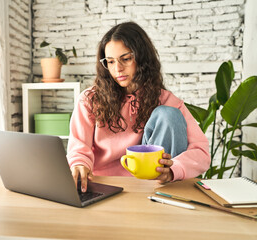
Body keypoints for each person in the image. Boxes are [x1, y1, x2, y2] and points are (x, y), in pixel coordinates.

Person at [67, 21, 210, 193]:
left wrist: (173, 170)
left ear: (142, 58)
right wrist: (79, 164)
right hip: (103, 185)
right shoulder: (89, 100)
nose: (118, 69)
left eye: (125, 59)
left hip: (150, 186)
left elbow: (201, 152)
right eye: (110, 62)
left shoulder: (166, 100)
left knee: (168, 115)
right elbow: (78, 148)